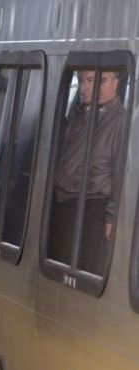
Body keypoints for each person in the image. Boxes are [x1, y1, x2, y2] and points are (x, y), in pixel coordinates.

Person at [48, 70, 126, 273]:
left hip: (92, 207)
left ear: (116, 84)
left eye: (97, 81)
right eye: (82, 81)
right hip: (63, 200)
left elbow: (121, 174)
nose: (84, 88)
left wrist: (111, 217)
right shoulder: (80, 114)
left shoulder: (121, 122)